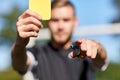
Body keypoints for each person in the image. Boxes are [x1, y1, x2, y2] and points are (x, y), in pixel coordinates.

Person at [11, 1, 108, 80]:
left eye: (66, 20)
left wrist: (97, 47)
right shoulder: (38, 53)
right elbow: (19, 64)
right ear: (48, 22)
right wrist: (20, 44)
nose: (60, 26)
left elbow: (101, 59)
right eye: (55, 20)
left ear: (75, 21)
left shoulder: (82, 51)